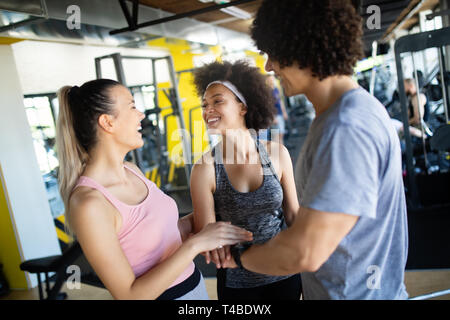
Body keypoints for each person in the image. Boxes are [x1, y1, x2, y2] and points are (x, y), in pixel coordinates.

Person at [224, 0, 409, 300]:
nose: (268, 66)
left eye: (273, 53)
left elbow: (305, 252)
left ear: (301, 47)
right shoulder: (340, 114)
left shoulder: (346, 127)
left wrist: (240, 257)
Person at [55, 79, 252, 300]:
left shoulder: (131, 170)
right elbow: (129, 295)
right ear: (107, 122)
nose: (141, 115)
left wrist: (220, 212)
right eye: (131, 106)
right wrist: (195, 244)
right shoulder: (89, 203)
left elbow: (161, 234)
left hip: (194, 289)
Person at [190, 60, 302, 300]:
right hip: (238, 285)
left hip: (286, 274)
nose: (208, 109)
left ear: (243, 107)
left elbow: (293, 215)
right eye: (205, 104)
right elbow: (211, 241)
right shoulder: (204, 169)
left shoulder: (277, 154)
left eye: (217, 101)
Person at [267, 75, 289, 144]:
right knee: (275, 135)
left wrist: (284, 112)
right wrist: (272, 117)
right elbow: (268, 105)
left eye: (272, 79)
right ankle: (275, 153)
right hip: (275, 115)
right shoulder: (267, 91)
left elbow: (280, 101)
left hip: (280, 114)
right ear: (268, 80)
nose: (272, 81)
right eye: (270, 79)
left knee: (281, 134)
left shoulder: (276, 89)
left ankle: (281, 152)